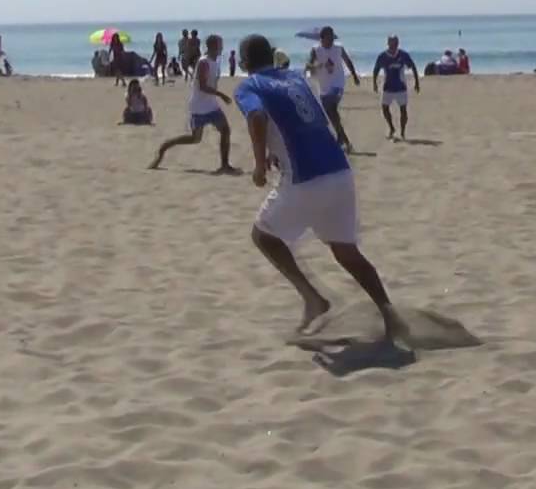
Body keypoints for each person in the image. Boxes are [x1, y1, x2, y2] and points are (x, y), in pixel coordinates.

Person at [233, 33, 405, 341]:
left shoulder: (249, 86)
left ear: (244, 63)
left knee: (263, 236)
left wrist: (259, 164)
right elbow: (313, 120)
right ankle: (390, 314)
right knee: (347, 252)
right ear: (272, 55)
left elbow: (257, 116)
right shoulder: (295, 78)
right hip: (339, 170)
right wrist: (275, 149)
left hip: (305, 177)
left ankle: (313, 298)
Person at [148, 34, 235, 173]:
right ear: (213, 46)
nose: (222, 47)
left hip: (211, 105)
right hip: (199, 106)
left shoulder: (215, 61)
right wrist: (221, 95)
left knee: (225, 130)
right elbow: (202, 86)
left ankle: (225, 165)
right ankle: (165, 146)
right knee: (195, 139)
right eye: (220, 44)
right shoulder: (204, 62)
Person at [306, 26, 360, 153]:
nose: (331, 41)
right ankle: (341, 139)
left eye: (332, 38)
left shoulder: (339, 48)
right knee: (331, 114)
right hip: (323, 86)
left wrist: (354, 75)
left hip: (338, 84)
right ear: (322, 38)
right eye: (328, 38)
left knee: (332, 108)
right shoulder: (315, 50)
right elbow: (308, 66)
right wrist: (319, 65)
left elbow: (348, 62)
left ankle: (345, 141)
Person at [372, 35, 421, 141]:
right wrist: (374, 83)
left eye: (396, 43)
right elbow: (376, 69)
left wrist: (417, 82)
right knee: (385, 108)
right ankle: (391, 128)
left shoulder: (403, 55)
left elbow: (413, 66)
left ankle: (402, 132)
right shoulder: (382, 56)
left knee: (403, 110)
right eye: (392, 43)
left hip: (401, 87)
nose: (394, 45)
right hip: (388, 87)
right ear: (388, 43)